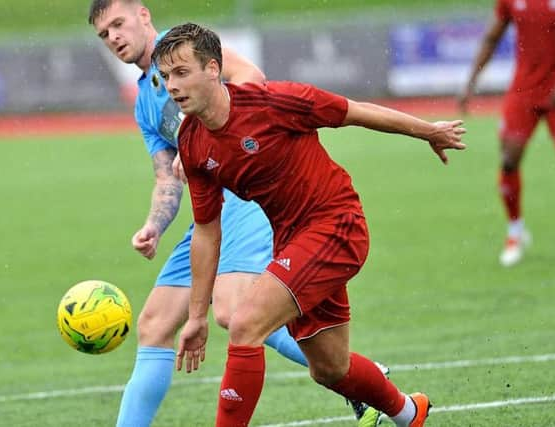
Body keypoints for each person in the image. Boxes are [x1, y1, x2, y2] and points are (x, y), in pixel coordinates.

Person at [152, 22, 466, 427]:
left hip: (336, 224)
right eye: (166, 77)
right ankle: (409, 412)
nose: (173, 86)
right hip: (293, 241)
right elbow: (207, 231)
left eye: (182, 73)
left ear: (213, 69)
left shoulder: (273, 102)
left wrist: (428, 131)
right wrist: (195, 317)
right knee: (329, 368)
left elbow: (354, 112)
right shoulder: (192, 143)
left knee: (246, 323)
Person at [88, 1, 383, 426]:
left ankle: (358, 382)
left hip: (245, 197)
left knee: (232, 312)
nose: (114, 37)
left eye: (118, 24)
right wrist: (153, 226)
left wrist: (203, 137)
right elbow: (166, 178)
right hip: (208, 212)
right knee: (154, 323)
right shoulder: (145, 103)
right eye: (104, 34)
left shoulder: (187, 48)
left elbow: (251, 78)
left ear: (143, 15)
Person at [459, 0, 555, 266]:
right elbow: (492, 38)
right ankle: (516, 232)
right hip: (523, 91)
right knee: (508, 160)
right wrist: (470, 83)